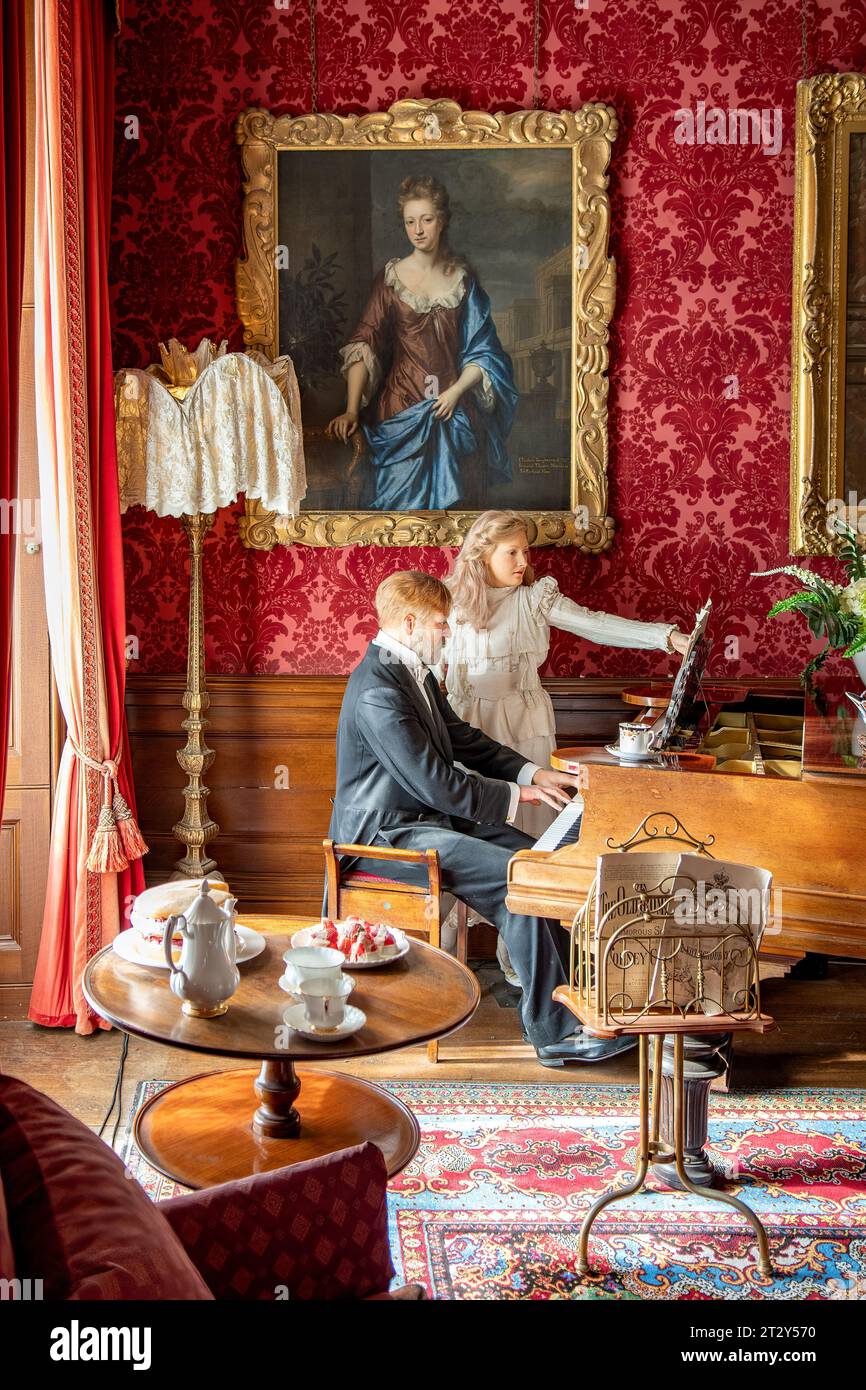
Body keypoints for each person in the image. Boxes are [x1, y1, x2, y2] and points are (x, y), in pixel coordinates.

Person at [328, 569, 637, 1066]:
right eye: (439, 624)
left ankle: (577, 1002)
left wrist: (532, 773)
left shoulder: (412, 669)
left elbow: (463, 740)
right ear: (409, 623)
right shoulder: (378, 689)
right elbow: (436, 782)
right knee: (517, 881)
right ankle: (555, 1032)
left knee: (535, 862)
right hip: (383, 839)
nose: (447, 632)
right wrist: (520, 796)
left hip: (423, 820)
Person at [443, 510, 690, 983]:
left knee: (532, 838)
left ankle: (518, 955)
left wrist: (666, 637)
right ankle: (445, 954)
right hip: (467, 725)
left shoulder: (536, 599)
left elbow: (598, 625)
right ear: (482, 553)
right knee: (469, 829)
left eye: (526, 551)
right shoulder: (451, 602)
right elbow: (427, 665)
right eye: (511, 551)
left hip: (524, 722)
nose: (523, 561)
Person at [326, 175, 517, 511]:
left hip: (453, 408)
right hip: (400, 409)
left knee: (458, 516)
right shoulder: (391, 279)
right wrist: (352, 408)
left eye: (426, 219)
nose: (418, 230)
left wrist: (456, 392)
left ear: (441, 221)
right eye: (410, 221)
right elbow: (364, 341)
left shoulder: (462, 280)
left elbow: (483, 350)